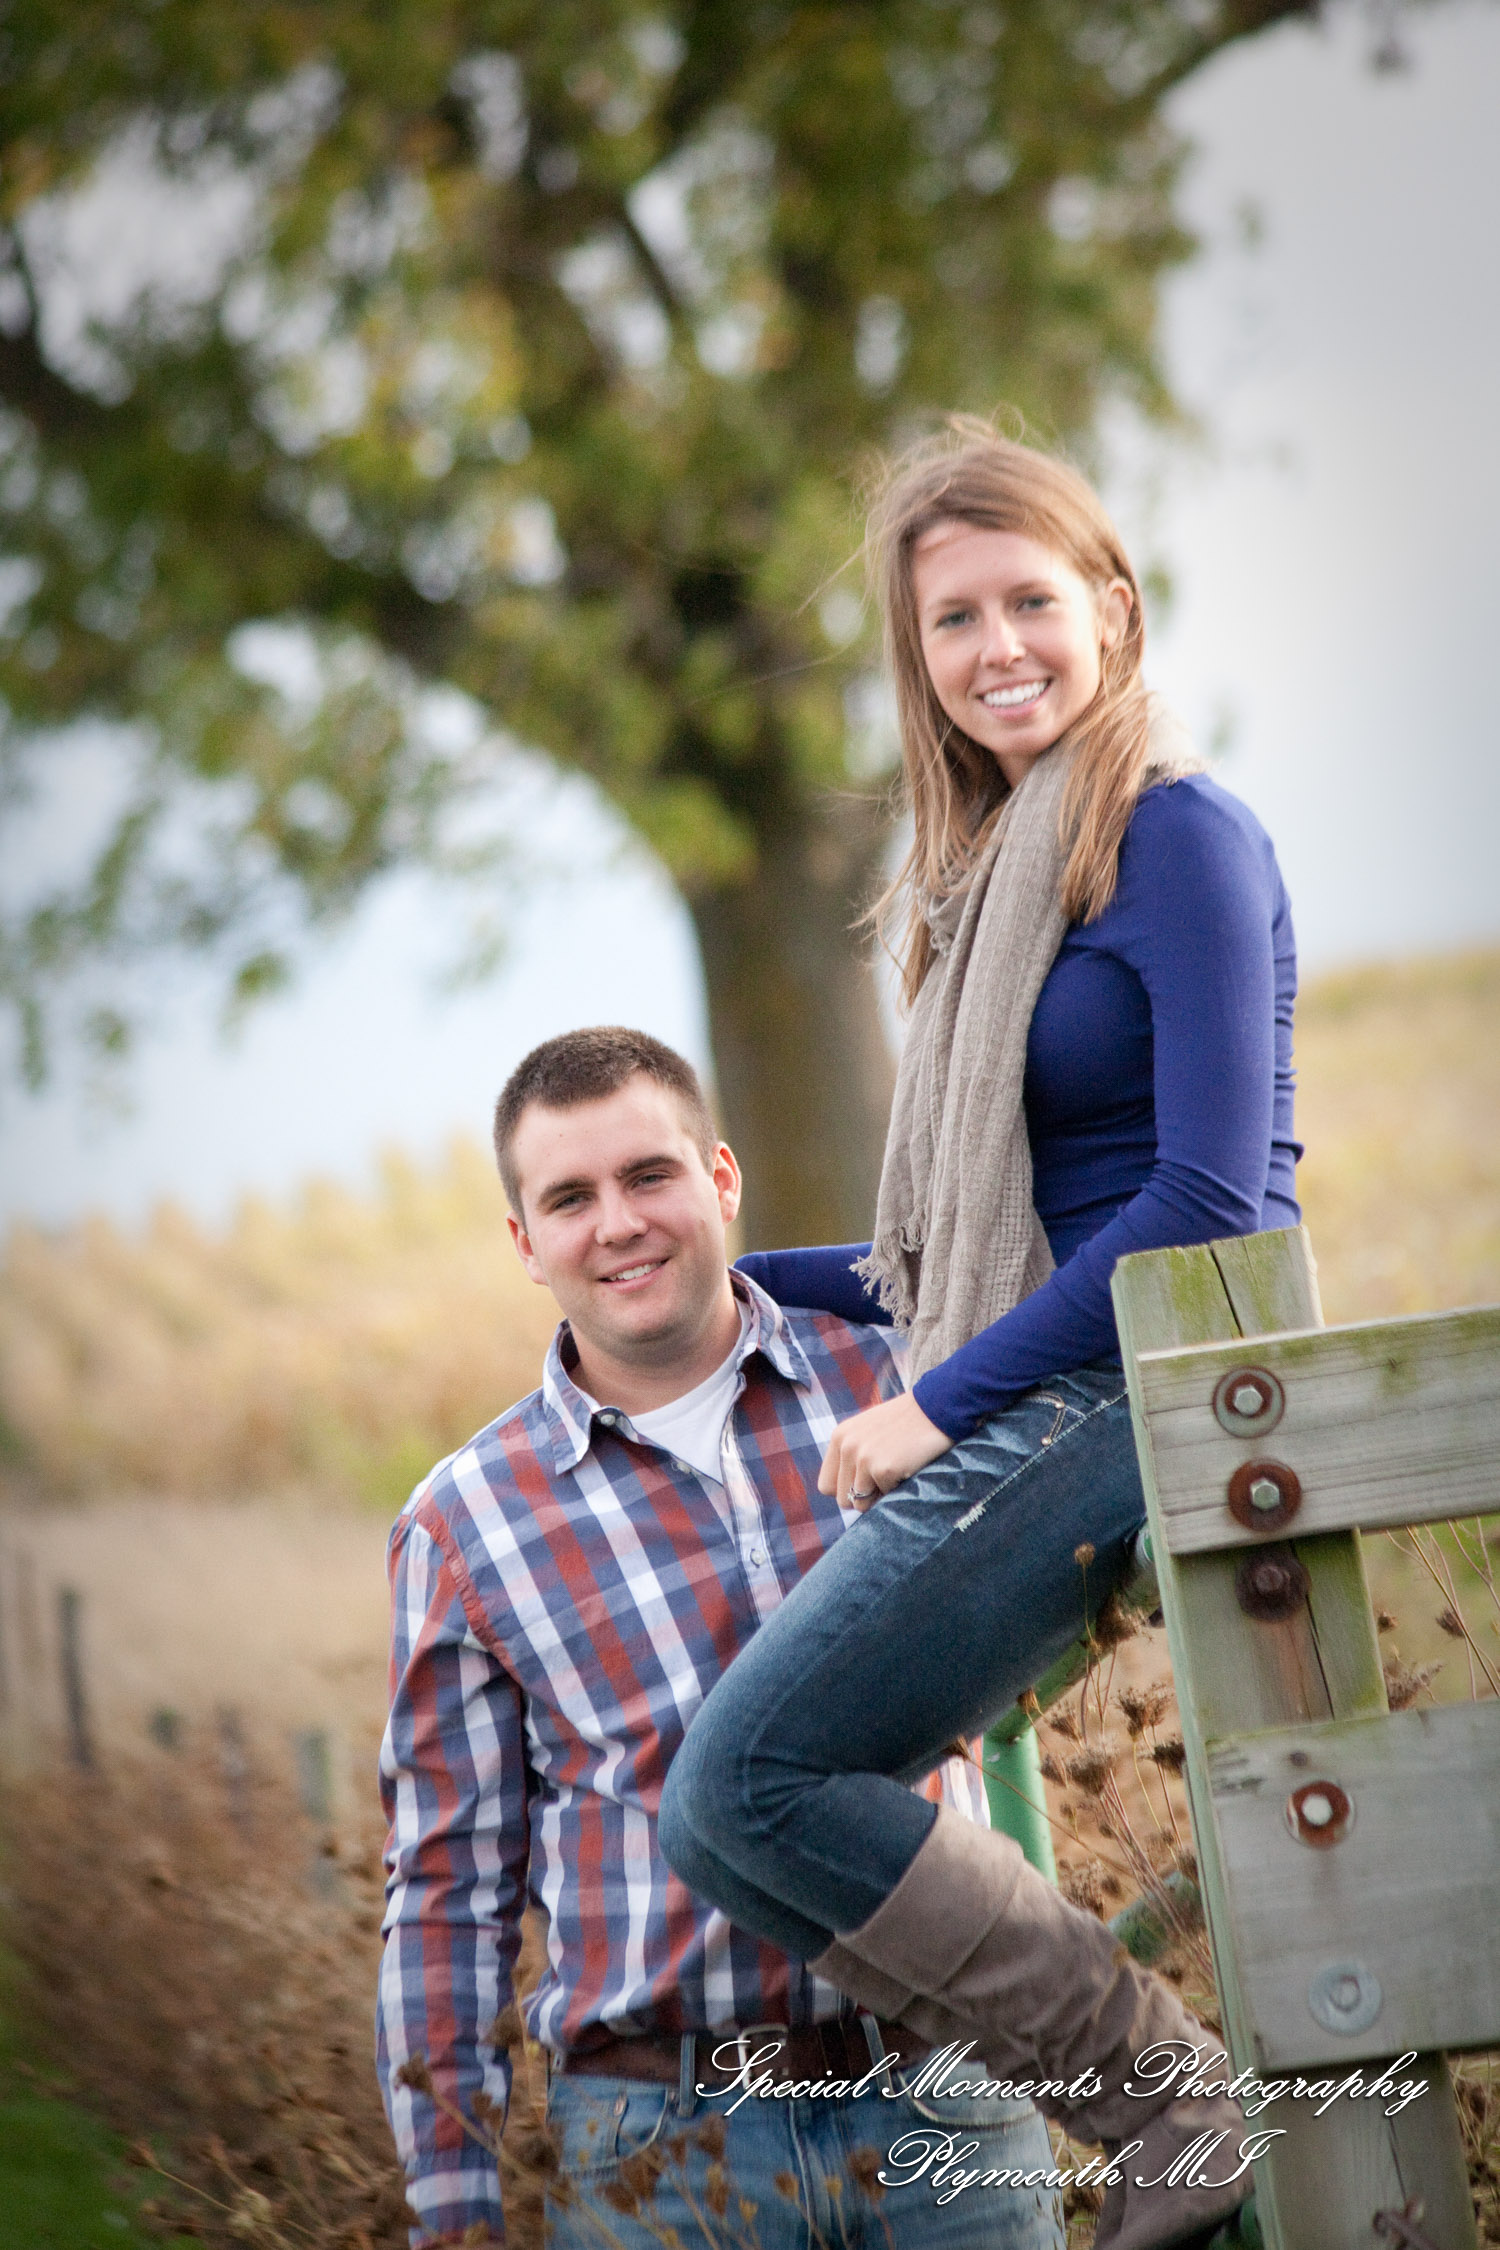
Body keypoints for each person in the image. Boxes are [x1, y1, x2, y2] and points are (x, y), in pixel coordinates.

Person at [657, 422, 1301, 2250]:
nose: (999, 644)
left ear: (1111, 609)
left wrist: (938, 1401)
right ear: (915, 656)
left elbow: (1204, 1204)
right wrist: (712, 1283)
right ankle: (1159, 2112)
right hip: (1064, 1370)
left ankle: (1167, 2102)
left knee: (748, 1779)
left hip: (1142, 1386)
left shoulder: (1175, 833)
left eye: (1032, 600)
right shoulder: (982, 888)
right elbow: (957, 1243)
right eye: (955, 618)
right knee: (747, 1797)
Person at [376, 1025, 1071, 2250]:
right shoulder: (465, 1525)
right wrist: (456, 2205)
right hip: (665, 2150)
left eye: (651, 1176)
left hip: (941, 2102)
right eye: (570, 1199)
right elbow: (447, 1889)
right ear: (525, 1243)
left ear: (722, 1178)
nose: (619, 1223)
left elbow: (1071, 1573)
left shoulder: (910, 1384)